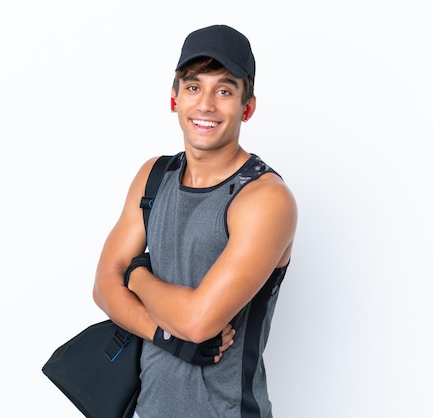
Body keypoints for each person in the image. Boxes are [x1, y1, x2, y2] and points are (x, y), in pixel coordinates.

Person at [93, 24, 297, 418]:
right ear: (174, 99)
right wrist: (167, 337)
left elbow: (199, 321)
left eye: (224, 91)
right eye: (193, 87)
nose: (205, 104)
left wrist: (135, 275)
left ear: (247, 107)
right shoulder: (153, 176)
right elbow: (103, 288)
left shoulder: (265, 198)